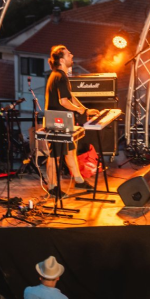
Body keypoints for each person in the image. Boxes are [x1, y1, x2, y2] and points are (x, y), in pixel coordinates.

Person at [45, 45, 95, 196]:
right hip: (57, 121)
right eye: (68, 54)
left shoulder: (60, 75)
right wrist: (80, 110)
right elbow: (64, 102)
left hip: (62, 120)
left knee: (70, 152)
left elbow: (71, 97)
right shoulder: (59, 76)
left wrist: (85, 109)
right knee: (55, 156)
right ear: (61, 60)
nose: (72, 55)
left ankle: (79, 181)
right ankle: (52, 187)